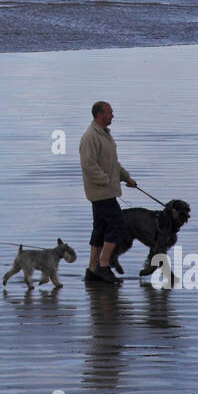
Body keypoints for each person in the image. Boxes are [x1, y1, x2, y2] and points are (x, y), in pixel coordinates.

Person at [78, 101, 137, 285]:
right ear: (99, 115)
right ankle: (104, 266)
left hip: (107, 191)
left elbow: (112, 164)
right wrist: (106, 181)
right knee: (118, 227)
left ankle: (92, 269)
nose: (113, 115)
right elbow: (88, 166)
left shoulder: (105, 135)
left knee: (100, 229)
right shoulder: (90, 137)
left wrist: (125, 177)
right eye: (110, 113)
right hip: (100, 192)